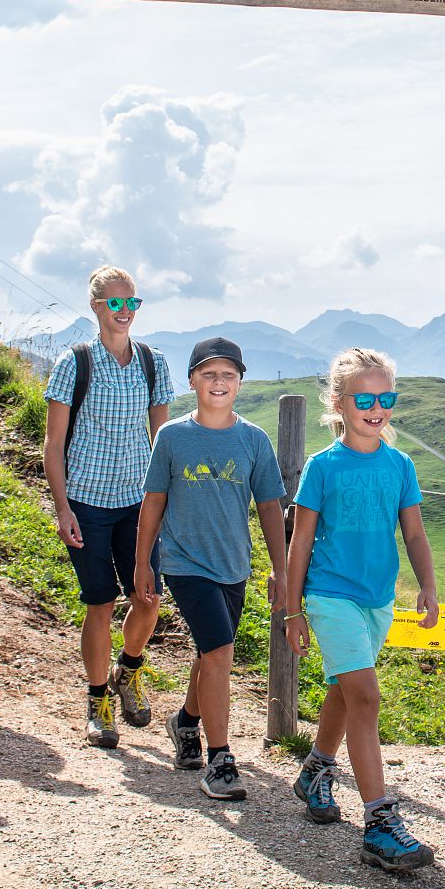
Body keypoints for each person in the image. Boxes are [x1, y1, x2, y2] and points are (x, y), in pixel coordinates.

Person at [284, 347, 440, 873]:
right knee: (366, 697)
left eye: (386, 397)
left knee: (344, 692)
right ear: (339, 402)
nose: (377, 407)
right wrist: (292, 609)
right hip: (330, 595)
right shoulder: (322, 467)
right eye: (365, 398)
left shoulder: (400, 465)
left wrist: (428, 587)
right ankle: (379, 823)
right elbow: (300, 541)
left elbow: (414, 532)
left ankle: (315, 771)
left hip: (378, 598)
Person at [133, 337, 287, 800]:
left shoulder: (254, 440)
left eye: (227, 375)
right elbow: (154, 500)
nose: (218, 382)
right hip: (184, 563)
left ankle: (185, 722)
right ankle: (220, 760)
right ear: (192, 380)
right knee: (220, 653)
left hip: (234, 565)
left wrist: (281, 569)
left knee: (208, 654)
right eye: (208, 374)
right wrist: (144, 562)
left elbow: (269, 509)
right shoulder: (173, 436)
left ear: (240, 382)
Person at [43, 266, 173, 748]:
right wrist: (63, 509)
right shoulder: (74, 363)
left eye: (132, 303)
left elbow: (161, 439)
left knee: (148, 598)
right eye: (115, 303)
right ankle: (98, 701)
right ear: (96, 306)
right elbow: (53, 444)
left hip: (138, 501)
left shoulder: (152, 363)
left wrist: (165, 500)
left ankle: (128, 671)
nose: (124, 312)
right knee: (100, 602)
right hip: (87, 500)